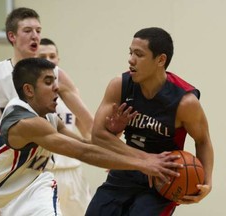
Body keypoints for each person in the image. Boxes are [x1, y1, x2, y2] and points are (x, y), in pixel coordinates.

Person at [0, 58, 183, 215]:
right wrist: (144, 163)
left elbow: (88, 143)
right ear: (29, 90)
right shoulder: (25, 121)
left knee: (46, 184)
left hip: (18, 198)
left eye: (55, 81)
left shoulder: (49, 118)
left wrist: (115, 132)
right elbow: (83, 153)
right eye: (48, 82)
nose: (56, 87)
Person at [85, 27, 214, 216]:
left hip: (163, 179)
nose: (131, 59)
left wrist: (207, 183)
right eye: (130, 53)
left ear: (160, 60)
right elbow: (97, 136)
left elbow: (203, 140)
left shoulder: (185, 102)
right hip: (126, 169)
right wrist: (144, 159)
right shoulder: (119, 86)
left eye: (139, 54)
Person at [0, 7, 92, 147]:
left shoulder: (57, 74)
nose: (35, 36)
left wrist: (105, 151)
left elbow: (89, 124)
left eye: (38, 31)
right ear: (12, 36)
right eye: (27, 31)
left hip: (37, 168)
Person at [37, 38, 92, 216]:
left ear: (58, 60)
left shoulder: (69, 92)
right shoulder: (30, 96)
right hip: (44, 173)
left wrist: (106, 153)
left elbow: (84, 130)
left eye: (52, 56)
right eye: (42, 56)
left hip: (73, 170)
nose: (48, 59)